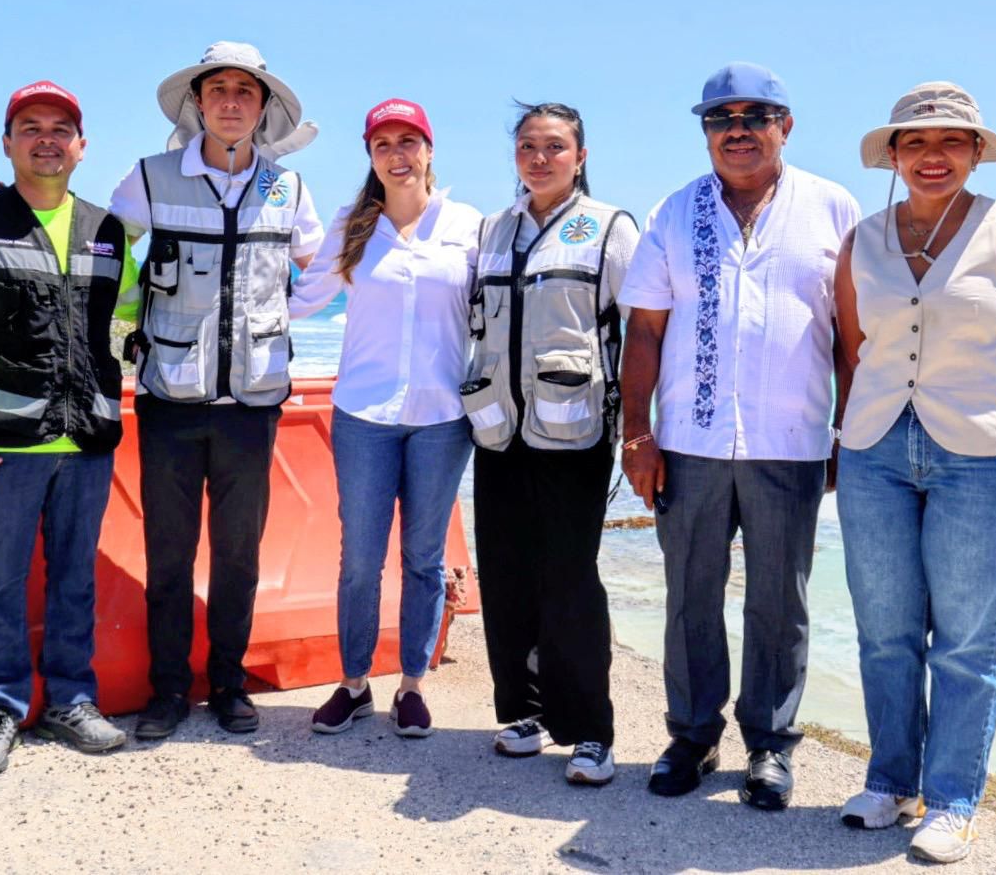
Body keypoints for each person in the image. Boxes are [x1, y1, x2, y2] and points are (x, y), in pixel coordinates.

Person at [833, 83, 996, 863]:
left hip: (982, 463)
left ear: (974, 152)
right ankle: (889, 780)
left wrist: (995, 424)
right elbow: (854, 349)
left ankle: (953, 801)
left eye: (950, 142)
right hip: (872, 453)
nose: (931, 156)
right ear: (893, 157)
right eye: (914, 142)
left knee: (967, 642)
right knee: (883, 633)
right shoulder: (861, 239)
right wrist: (848, 441)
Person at [619, 62, 860, 808]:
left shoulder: (831, 207)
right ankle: (691, 736)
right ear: (705, 132)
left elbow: (853, 338)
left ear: (785, 126)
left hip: (790, 443)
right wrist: (637, 434)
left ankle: (769, 746)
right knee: (690, 596)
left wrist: (845, 434)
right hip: (688, 442)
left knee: (778, 603)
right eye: (719, 118)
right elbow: (645, 329)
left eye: (755, 116)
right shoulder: (673, 210)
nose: (737, 130)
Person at [109, 42, 324, 738]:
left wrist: (275, 321)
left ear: (262, 109)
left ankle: (229, 684)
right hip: (170, 399)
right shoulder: (150, 177)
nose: (232, 101)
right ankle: (168, 690)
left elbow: (318, 273)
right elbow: (101, 256)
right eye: (219, 89)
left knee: (239, 554)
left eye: (246, 91)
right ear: (198, 103)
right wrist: (125, 327)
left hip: (251, 406)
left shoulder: (288, 189)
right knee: (168, 554)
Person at [0, 81, 139, 775]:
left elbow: (142, 310)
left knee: (75, 579)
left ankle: (73, 701)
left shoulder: (108, 231)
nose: (45, 138)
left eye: (60, 128)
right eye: (29, 126)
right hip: (7, 442)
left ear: (81, 146)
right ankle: (1, 709)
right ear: (8, 142)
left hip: (87, 439)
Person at [461, 102, 637, 785]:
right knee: (506, 575)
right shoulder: (491, 229)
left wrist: (640, 430)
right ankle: (525, 713)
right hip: (496, 429)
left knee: (569, 579)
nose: (539, 158)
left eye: (554, 147)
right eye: (528, 146)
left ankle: (591, 731)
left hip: (575, 433)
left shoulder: (609, 229)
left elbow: (643, 329)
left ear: (580, 156)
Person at [294, 99, 479, 739]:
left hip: (443, 416)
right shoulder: (352, 225)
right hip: (363, 414)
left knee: (424, 558)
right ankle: (353, 684)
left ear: (430, 149)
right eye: (382, 145)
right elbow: (299, 299)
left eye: (408, 142)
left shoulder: (470, 226)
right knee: (359, 559)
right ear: (370, 157)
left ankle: (412, 685)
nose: (397, 155)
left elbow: (504, 312)